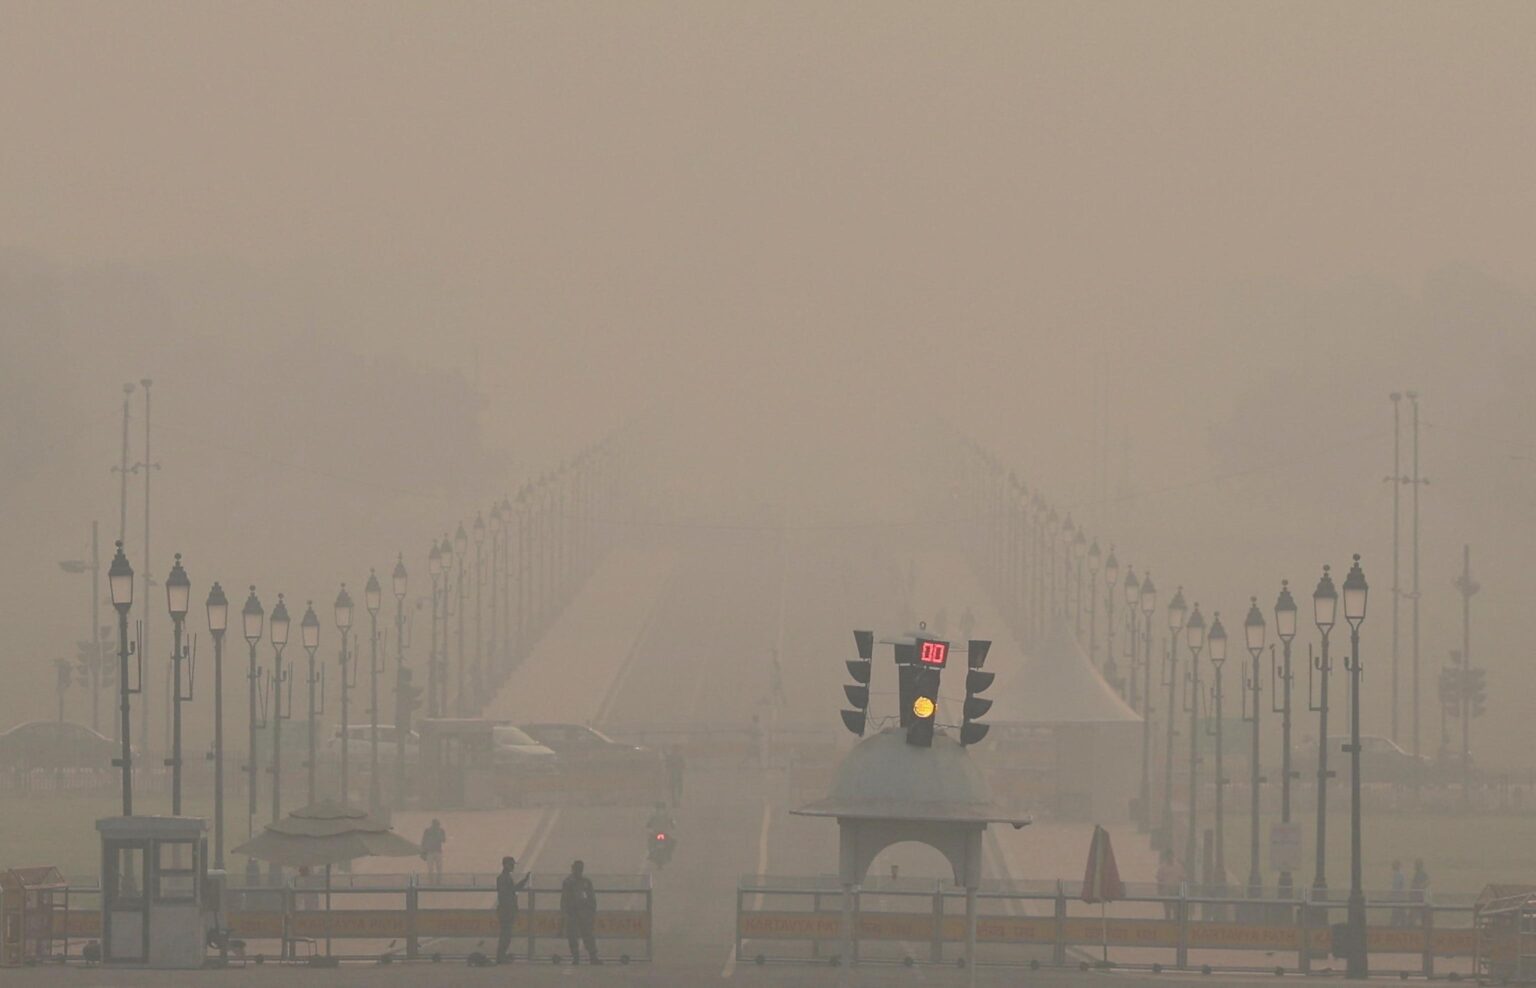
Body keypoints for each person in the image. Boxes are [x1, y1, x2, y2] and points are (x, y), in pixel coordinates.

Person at [560, 859, 600, 965]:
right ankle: (576, 956)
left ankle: (593, 956)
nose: (579, 871)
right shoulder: (568, 882)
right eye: (577, 868)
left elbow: (591, 897)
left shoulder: (586, 882)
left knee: (588, 935)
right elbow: (564, 898)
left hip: (584, 912)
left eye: (580, 869)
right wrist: (564, 912)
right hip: (572, 912)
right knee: (573, 936)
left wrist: (592, 910)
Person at [495, 855, 529, 964]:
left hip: (506, 909)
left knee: (506, 934)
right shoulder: (503, 878)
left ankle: (501, 955)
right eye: (511, 865)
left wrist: (524, 881)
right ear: (506, 865)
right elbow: (508, 893)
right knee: (506, 934)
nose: (513, 867)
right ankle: (500, 956)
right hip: (506, 910)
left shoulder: (505, 877)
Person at [1155, 848, 1185, 920]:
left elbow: (1183, 879)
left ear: (1173, 856)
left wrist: (1182, 891)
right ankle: (1167, 926)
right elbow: (1159, 880)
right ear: (1166, 856)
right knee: (1167, 912)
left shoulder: (1179, 866)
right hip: (1166, 893)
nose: (1169, 857)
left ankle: (1175, 926)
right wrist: (1159, 892)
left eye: (1171, 855)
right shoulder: (1162, 867)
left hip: (1176, 893)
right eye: (1168, 856)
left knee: (1176, 911)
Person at [420, 818, 447, 883]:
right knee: (430, 869)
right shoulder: (427, 831)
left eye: (437, 825)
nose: (436, 826)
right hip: (430, 852)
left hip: (438, 851)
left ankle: (438, 881)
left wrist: (439, 835)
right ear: (432, 824)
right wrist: (423, 852)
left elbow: (444, 840)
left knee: (439, 868)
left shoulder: (441, 831)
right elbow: (423, 841)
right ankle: (431, 881)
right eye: (435, 825)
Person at [1390, 860, 1407, 927]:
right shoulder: (1397, 875)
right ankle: (1399, 924)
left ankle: (1394, 924)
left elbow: (1398, 887)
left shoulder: (1399, 875)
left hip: (1398, 897)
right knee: (1400, 911)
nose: (1393, 866)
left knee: (1398, 910)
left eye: (1394, 865)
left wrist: (1393, 894)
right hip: (1398, 897)